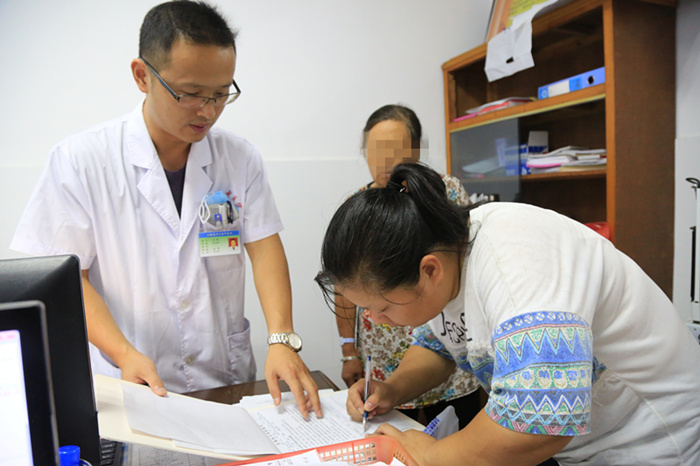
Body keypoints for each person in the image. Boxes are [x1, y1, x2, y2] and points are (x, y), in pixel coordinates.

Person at [11, 0, 321, 418]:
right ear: (143, 76)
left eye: (221, 94)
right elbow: (66, 276)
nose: (208, 111)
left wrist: (281, 338)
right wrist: (122, 352)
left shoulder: (239, 158)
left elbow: (264, 246)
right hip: (130, 379)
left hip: (223, 380)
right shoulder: (81, 161)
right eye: (190, 94)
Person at [316, 162, 700, 465]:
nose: (375, 319)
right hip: (581, 446)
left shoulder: (516, 259)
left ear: (429, 271)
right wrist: (392, 389)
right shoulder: (444, 255)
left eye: (382, 307)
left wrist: (432, 454)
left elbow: (542, 422)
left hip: (652, 441)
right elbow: (441, 345)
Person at [335, 104, 482, 428]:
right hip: (387, 358)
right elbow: (345, 285)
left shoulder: (445, 192)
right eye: (376, 150)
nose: (385, 160)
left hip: (449, 348)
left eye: (395, 149)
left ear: (415, 151)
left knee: (458, 429)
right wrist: (348, 351)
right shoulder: (358, 208)